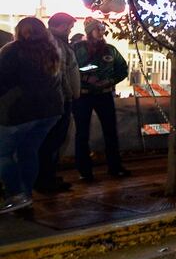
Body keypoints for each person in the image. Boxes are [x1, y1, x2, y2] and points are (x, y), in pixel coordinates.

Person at [0, 18, 65, 214]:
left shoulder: (12, 50)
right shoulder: (53, 50)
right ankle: (25, 195)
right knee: (29, 151)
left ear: (19, 31)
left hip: (18, 112)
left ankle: (17, 194)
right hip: (50, 112)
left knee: (2, 154)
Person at [72, 18, 130, 179]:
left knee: (110, 131)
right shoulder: (77, 49)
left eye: (102, 29)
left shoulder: (110, 50)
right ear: (90, 31)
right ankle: (84, 171)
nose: (101, 32)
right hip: (83, 96)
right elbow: (69, 68)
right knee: (82, 133)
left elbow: (122, 69)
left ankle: (115, 167)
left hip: (104, 95)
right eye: (98, 29)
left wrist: (110, 81)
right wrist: (84, 79)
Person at [35, 13, 81, 193]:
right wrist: (68, 94)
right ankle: (45, 180)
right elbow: (60, 74)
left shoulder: (56, 42)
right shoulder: (54, 44)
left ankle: (48, 177)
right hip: (59, 101)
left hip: (60, 99)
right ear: (61, 26)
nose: (70, 30)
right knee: (52, 142)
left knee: (54, 141)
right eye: (69, 27)